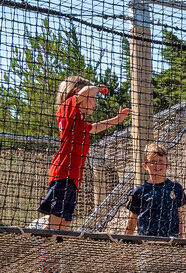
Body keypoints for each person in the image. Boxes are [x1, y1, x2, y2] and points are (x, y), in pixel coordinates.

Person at [38, 76, 130, 230]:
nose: (95, 102)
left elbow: (93, 128)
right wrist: (99, 87)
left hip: (73, 177)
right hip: (63, 173)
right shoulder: (67, 109)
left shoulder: (79, 120)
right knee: (56, 220)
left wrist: (116, 120)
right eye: (93, 98)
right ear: (77, 94)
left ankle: (51, 247)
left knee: (65, 221)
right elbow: (85, 91)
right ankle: (41, 242)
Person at [126, 144, 186, 238]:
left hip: (171, 241)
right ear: (145, 165)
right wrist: (127, 241)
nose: (157, 165)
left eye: (160, 161)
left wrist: (181, 239)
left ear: (167, 164)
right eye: (153, 161)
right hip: (146, 241)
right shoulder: (139, 191)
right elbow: (133, 218)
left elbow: (178, 215)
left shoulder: (176, 188)